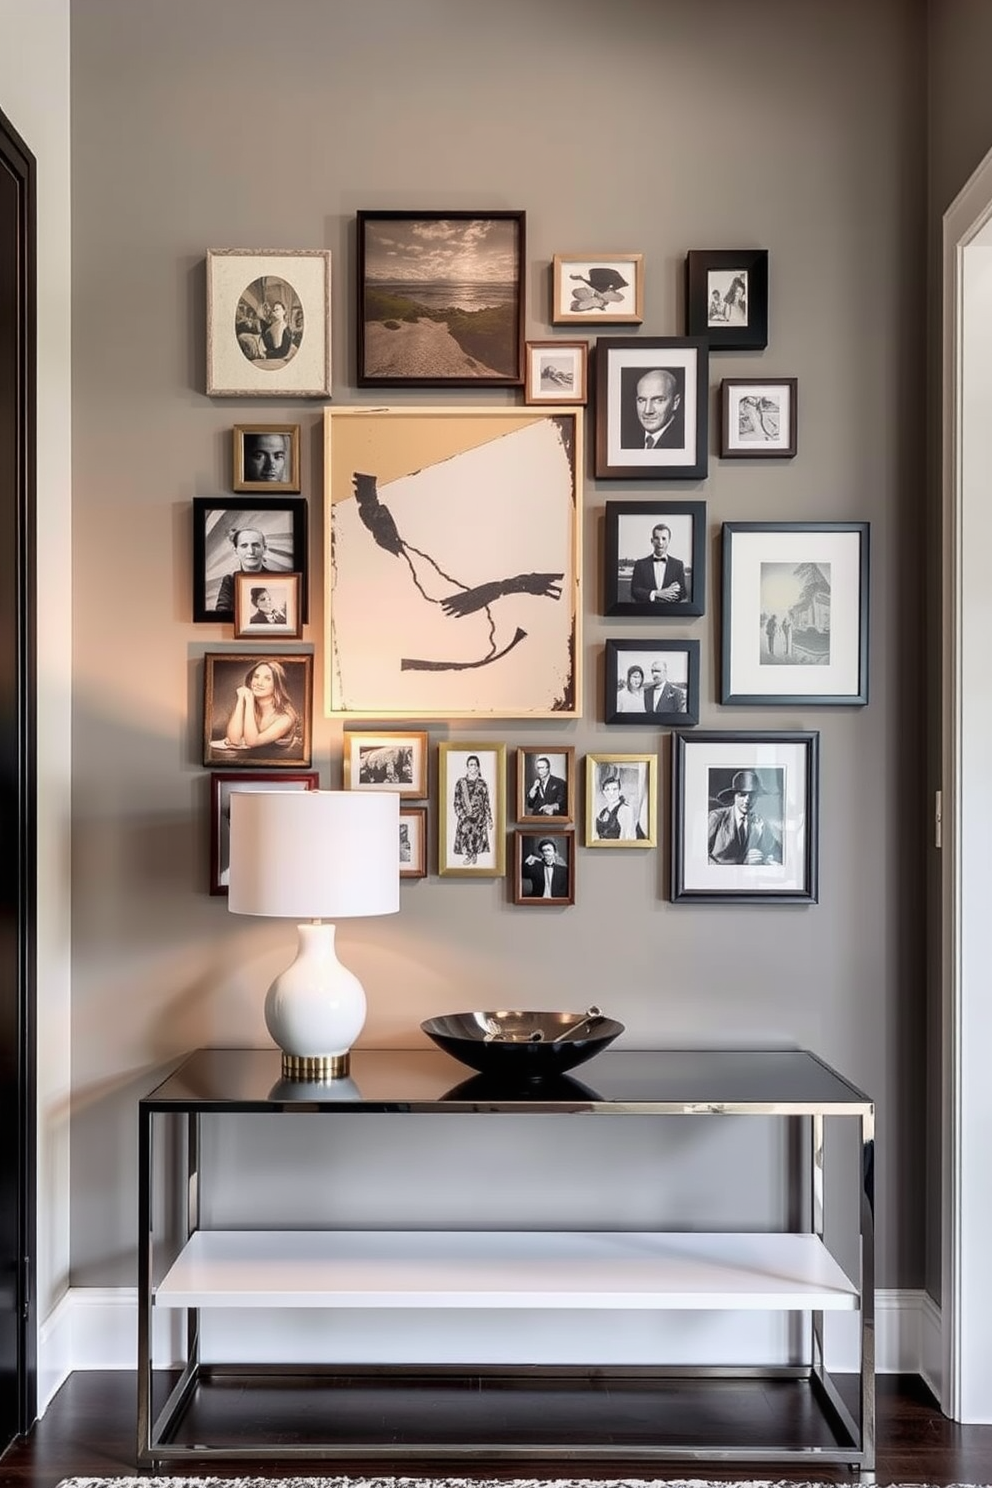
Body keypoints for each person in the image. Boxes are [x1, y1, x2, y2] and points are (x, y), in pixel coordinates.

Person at [707, 769, 782, 866]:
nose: (747, 800)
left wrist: (765, 860)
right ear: (734, 796)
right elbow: (699, 855)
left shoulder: (759, 822)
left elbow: (775, 852)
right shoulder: (716, 817)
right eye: (742, 795)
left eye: (752, 795)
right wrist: (742, 863)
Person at [222, 659, 299, 753]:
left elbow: (252, 742)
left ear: (277, 685)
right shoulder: (250, 707)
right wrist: (241, 700)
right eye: (256, 677)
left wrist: (249, 702)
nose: (259, 683)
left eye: (267, 678)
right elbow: (234, 740)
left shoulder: (286, 718)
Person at [214, 526, 279, 614]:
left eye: (255, 545)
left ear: (264, 549)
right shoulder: (230, 581)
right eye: (244, 546)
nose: (251, 551)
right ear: (236, 551)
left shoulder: (278, 579)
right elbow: (221, 613)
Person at [621, 368, 684, 450]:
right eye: (642, 400)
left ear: (675, 403)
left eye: (658, 400)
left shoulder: (682, 442)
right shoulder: (628, 440)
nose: (647, 410)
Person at [629, 524, 688, 605]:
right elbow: (634, 591)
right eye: (657, 538)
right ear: (652, 541)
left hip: (670, 614)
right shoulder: (640, 564)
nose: (660, 542)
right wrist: (656, 593)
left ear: (669, 540)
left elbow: (683, 593)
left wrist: (675, 590)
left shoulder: (678, 565)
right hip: (645, 614)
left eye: (664, 539)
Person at [452, 754, 493, 866]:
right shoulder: (461, 783)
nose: (473, 767)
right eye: (471, 765)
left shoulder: (482, 784)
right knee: (466, 838)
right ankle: (469, 855)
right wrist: (462, 816)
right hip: (465, 818)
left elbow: (486, 802)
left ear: (478, 767)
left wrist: (489, 819)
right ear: (467, 767)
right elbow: (456, 802)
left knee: (477, 840)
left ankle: (473, 854)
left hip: (479, 818)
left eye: (475, 765)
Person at [594, 773, 644, 841]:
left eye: (614, 789)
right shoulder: (603, 812)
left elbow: (626, 838)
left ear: (619, 791)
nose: (611, 793)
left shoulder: (625, 810)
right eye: (607, 789)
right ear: (604, 792)